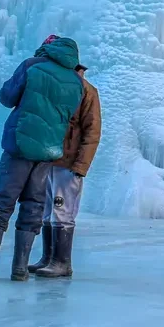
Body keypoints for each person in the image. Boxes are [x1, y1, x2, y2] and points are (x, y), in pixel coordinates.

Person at [0, 35, 84, 282]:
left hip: (20, 143)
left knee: (2, 202)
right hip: (49, 150)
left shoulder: (32, 65)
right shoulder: (76, 81)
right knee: (34, 205)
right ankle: (20, 268)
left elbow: (7, 97)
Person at [28, 62, 101, 279]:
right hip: (52, 161)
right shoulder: (59, 88)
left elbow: (92, 131)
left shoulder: (87, 91)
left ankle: (61, 262)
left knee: (62, 210)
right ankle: (48, 258)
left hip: (69, 164)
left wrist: (81, 165)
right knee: (48, 210)